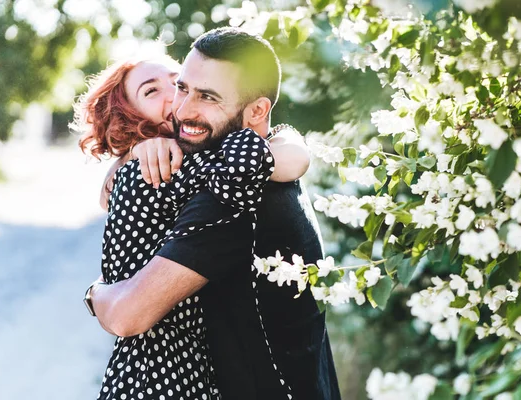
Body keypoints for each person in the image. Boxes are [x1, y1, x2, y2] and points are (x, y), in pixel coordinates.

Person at [88, 27, 341, 399]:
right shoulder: (257, 163)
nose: (181, 108)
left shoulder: (232, 192)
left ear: (258, 110)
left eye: (207, 96)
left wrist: (95, 293)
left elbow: (128, 314)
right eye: (183, 89)